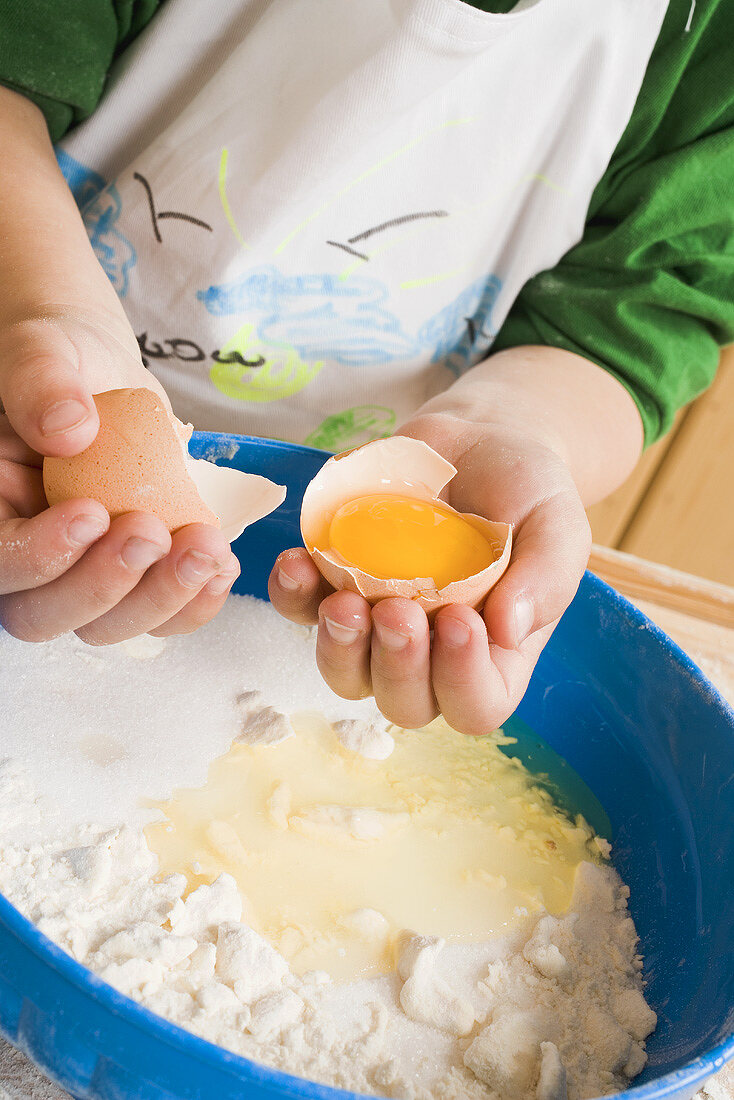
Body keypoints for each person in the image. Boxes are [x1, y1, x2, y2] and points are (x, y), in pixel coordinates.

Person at [0, 0, 732, 735]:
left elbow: (637, 315)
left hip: (373, 469)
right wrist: (42, 309)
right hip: (22, 408)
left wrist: (513, 424)